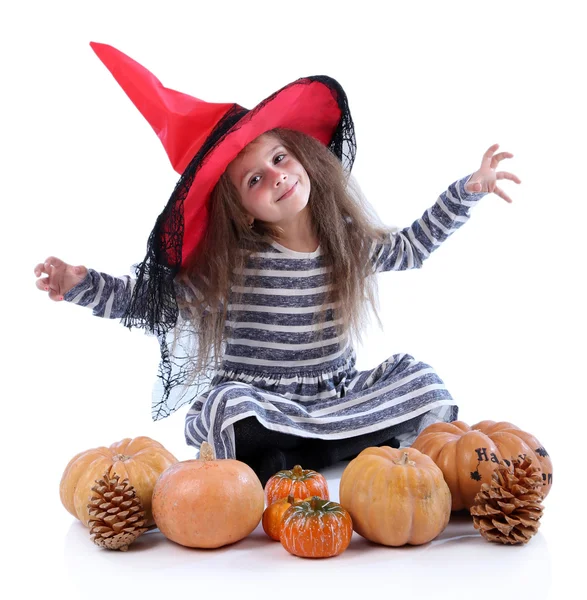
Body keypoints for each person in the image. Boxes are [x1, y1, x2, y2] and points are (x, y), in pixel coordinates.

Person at [34, 43, 520, 485]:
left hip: (335, 395)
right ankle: (318, 448)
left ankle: (311, 449)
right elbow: (155, 303)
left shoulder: (343, 244)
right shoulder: (233, 267)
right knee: (229, 408)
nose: (277, 177)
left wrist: (465, 193)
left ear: (303, 158)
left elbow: (412, 247)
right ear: (244, 209)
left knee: (422, 382)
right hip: (265, 403)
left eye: (281, 158)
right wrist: (80, 284)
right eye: (254, 180)